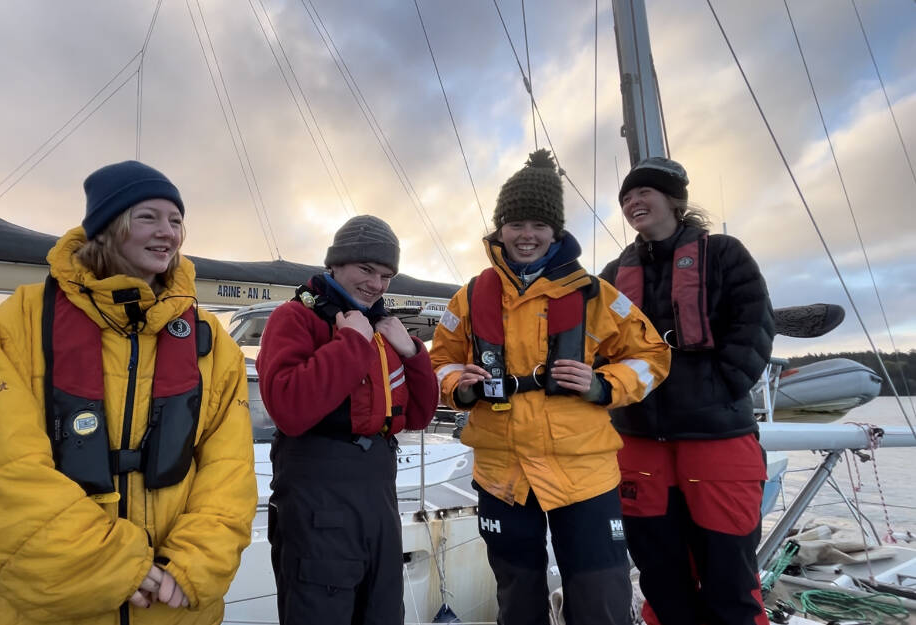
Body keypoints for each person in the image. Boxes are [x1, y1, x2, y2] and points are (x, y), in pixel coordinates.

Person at [0, 160, 258, 624]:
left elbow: (228, 471)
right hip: (49, 605)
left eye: (176, 221)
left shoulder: (211, 341)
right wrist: (107, 563)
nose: (167, 233)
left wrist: (194, 563)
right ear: (110, 227)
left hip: (170, 603)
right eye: (148, 217)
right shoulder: (22, 322)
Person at [430, 150, 671, 625]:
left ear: (556, 233)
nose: (527, 236)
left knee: (599, 597)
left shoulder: (596, 295)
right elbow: (441, 360)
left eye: (539, 225)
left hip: (584, 473)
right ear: (500, 228)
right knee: (517, 599)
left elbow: (653, 356)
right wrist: (460, 385)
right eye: (516, 223)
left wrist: (603, 384)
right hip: (503, 475)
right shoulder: (469, 297)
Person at [600, 157, 775, 625]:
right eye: (626, 198)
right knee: (660, 578)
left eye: (644, 193)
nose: (634, 202)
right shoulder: (614, 272)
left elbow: (754, 322)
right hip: (638, 442)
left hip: (716, 440)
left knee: (730, 580)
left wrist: (720, 388)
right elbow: (593, 342)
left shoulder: (724, 254)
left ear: (673, 200)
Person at [256, 214, 439, 625]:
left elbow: (421, 415)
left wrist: (412, 353)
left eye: (387, 275)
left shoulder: (382, 328)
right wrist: (351, 342)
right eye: (366, 270)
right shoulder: (294, 318)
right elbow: (289, 409)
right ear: (335, 264)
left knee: (382, 611)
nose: (376, 284)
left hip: (379, 498)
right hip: (317, 498)